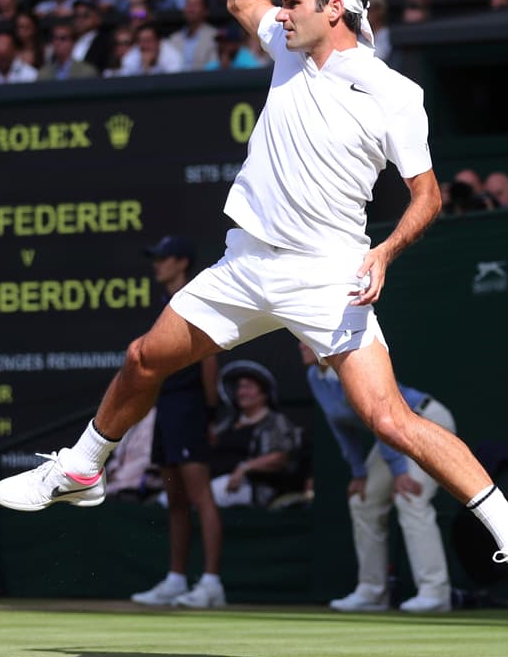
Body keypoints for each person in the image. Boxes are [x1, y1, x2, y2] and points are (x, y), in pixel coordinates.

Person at [0, 0, 508, 627]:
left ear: (336, 10)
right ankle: (81, 468)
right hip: (245, 264)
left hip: (327, 273)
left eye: (296, 1)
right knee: (144, 357)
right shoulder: (288, 46)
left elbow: (426, 196)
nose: (281, 10)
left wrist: (387, 253)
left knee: (389, 419)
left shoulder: (395, 94)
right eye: (286, 2)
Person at [300, 342, 454, 613]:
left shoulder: (350, 370)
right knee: (363, 501)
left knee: (409, 498)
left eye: (304, 338)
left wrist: (400, 473)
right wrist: (358, 472)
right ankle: (372, 592)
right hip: (392, 435)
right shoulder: (316, 377)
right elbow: (340, 426)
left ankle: (435, 592)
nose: (300, 344)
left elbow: (383, 419)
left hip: (426, 422)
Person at [128, 235, 226, 611]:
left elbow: (209, 359)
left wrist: (211, 414)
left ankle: (213, 582)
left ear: (182, 262)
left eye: (163, 258)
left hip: (190, 407)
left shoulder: (195, 296)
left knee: (201, 497)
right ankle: (176, 578)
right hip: (167, 407)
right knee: (175, 499)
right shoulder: (167, 303)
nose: (157, 264)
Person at [204, 361, 303, 510]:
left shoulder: (275, 421)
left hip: (252, 488)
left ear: (264, 393)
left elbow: (281, 458)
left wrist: (243, 469)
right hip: (214, 481)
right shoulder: (228, 423)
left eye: (248, 387)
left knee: (200, 498)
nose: (241, 392)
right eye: (239, 387)